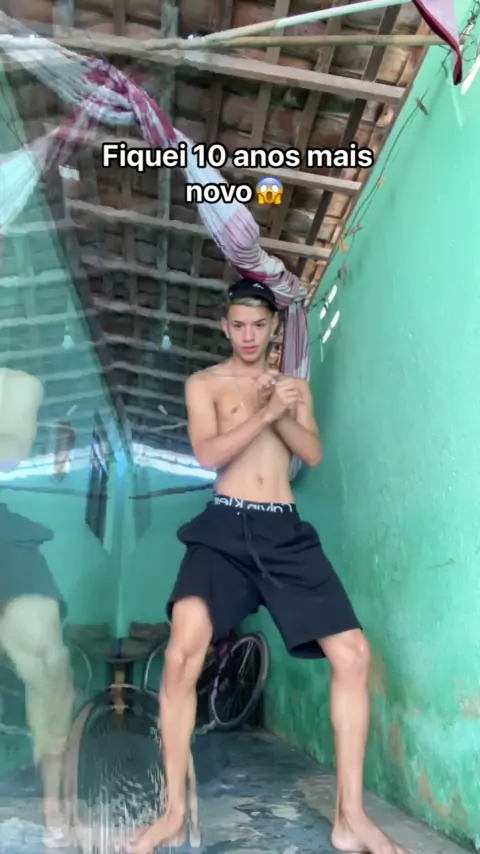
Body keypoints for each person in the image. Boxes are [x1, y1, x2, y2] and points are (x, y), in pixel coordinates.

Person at [128, 278, 412, 854]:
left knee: (354, 654)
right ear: (224, 326)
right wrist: (262, 413)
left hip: (283, 530)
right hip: (223, 528)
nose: (248, 335)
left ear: (274, 328)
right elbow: (207, 453)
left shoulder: (294, 388)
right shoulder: (204, 383)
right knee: (182, 655)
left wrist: (280, 408)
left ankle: (350, 819)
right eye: (238, 325)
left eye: (259, 325)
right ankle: (173, 813)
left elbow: (312, 453)